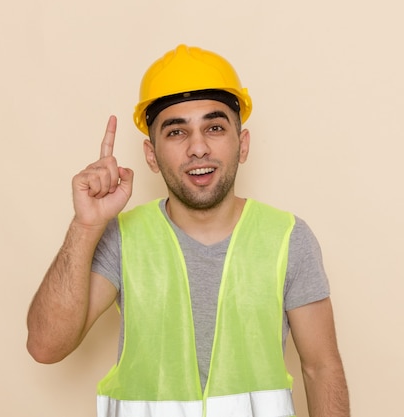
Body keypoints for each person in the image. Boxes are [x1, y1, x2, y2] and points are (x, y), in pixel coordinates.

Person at [27, 44, 350, 417]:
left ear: (242, 145)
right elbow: (45, 347)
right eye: (177, 132)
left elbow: (321, 368)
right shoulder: (121, 239)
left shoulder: (288, 238)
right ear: (151, 155)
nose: (198, 148)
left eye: (214, 127)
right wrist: (86, 225)